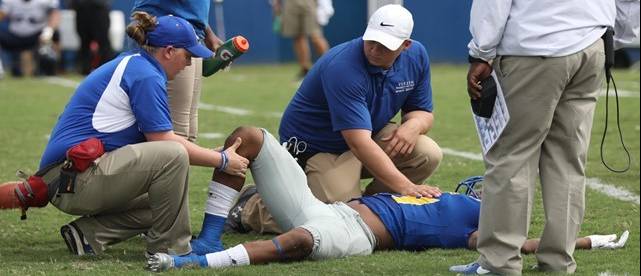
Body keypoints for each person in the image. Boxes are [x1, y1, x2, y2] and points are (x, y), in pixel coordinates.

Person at [145, 126, 629, 272]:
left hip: (354, 233)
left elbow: (518, 246)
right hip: (331, 206)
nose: (483, 188)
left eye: (491, 188)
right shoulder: (456, 198)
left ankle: (196, 265)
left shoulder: (484, 226)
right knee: (248, 137)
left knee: (300, 240)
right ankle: (208, 238)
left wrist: (588, 241)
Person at [34, 12, 248, 256]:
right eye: (187, 55)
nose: (189, 64)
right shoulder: (146, 75)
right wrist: (222, 161)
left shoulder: (139, 64)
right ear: (168, 51)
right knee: (173, 155)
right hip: (71, 180)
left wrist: (212, 154)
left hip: (68, 178)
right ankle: (170, 250)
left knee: (168, 201)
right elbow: (165, 143)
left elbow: (160, 139)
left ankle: (89, 234)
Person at [230, 4, 442, 235]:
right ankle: (250, 207)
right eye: (371, 40)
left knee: (427, 153)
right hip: (320, 146)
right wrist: (406, 187)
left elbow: (422, 111)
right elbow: (357, 142)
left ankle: (373, 209)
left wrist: (414, 125)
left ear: (406, 45)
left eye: (385, 45)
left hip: (367, 133)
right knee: (333, 217)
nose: (374, 49)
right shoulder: (344, 66)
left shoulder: (417, 55)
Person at [450, 1, 616, 275]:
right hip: (592, 43)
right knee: (567, 161)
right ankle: (558, 261)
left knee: (511, 156)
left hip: (536, 46)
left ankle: (498, 263)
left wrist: (481, 53)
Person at [132, 0, 223, 142]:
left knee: (188, 134)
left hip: (188, 34)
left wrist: (206, 30)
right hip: (168, 33)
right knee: (175, 135)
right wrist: (222, 159)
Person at [0, 0, 60, 77]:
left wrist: (48, 30)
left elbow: (55, 14)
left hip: (36, 35)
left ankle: (52, 67)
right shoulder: (11, 1)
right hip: (14, 35)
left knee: (55, 33)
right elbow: (2, 14)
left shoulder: (44, 2)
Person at [272, 0, 330, 78]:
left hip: (309, 3)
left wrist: (325, 6)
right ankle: (305, 70)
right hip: (290, 3)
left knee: (315, 36)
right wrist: (276, 3)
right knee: (297, 37)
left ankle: (330, 65)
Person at [69, 0, 114, 75]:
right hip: (82, 9)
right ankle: (85, 69)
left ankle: (108, 70)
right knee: (84, 42)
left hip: (99, 8)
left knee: (103, 42)